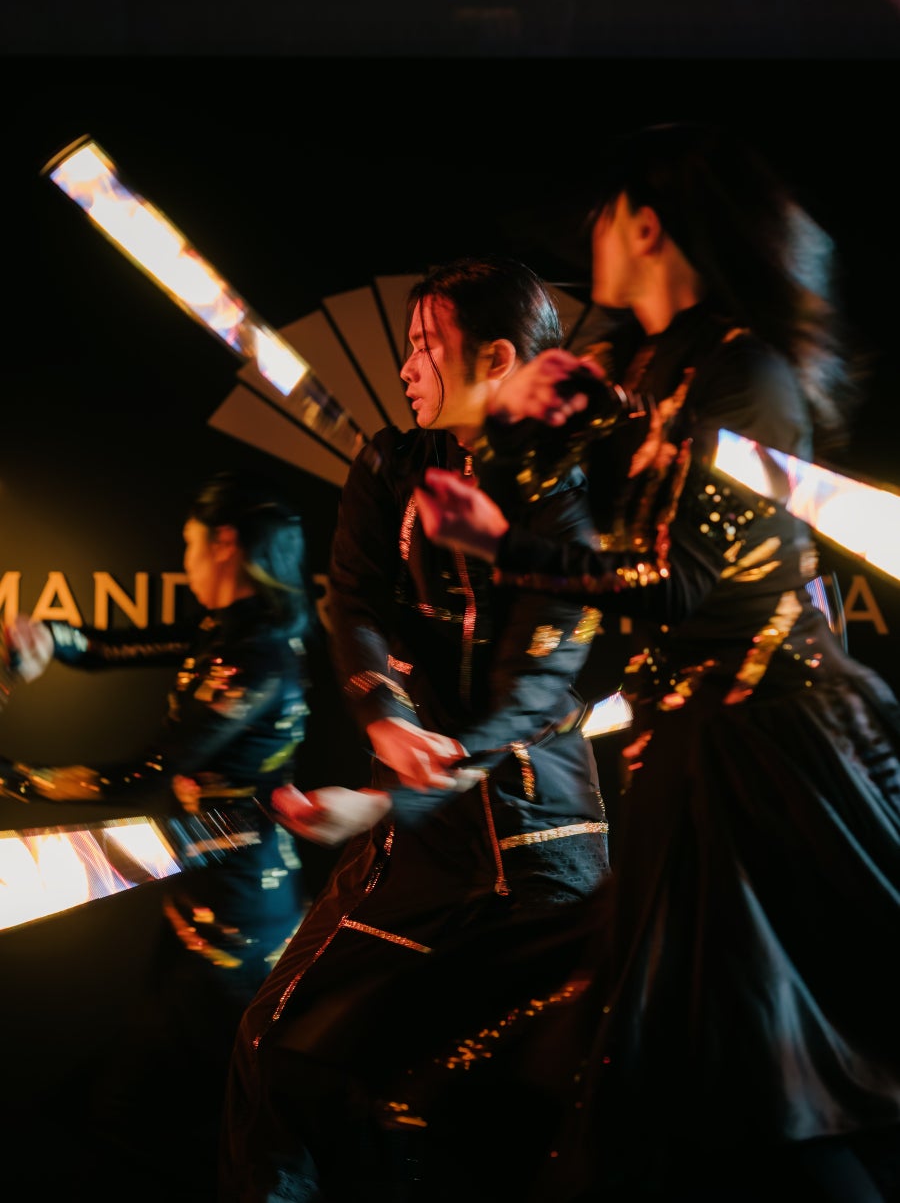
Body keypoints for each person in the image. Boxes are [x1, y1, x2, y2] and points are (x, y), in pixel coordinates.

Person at [413, 123, 900, 1201]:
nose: (587, 238)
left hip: (769, 753)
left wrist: (500, 541)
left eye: (600, 216)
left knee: (760, 1081)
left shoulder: (744, 375)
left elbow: (675, 584)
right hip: (695, 749)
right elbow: (601, 534)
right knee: (704, 1086)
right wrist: (526, 445)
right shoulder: (654, 372)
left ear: (644, 224)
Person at [220, 255, 613, 1203]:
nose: (404, 368)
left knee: (526, 1115)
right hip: (418, 846)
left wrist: (419, 777)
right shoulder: (391, 465)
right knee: (279, 1049)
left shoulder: (569, 491)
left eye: (425, 347)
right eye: (406, 347)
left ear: (499, 358)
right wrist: (387, 718)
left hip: (543, 848)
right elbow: (355, 599)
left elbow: (541, 684)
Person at [4, 467, 318, 1201]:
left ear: (225, 542)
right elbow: (109, 648)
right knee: (161, 1111)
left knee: (157, 1115)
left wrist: (17, 780)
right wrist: (49, 636)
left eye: (187, 543)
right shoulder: (226, 633)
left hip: (241, 920)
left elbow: (147, 771)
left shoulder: (259, 655)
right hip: (205, 904)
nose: (184, 559)